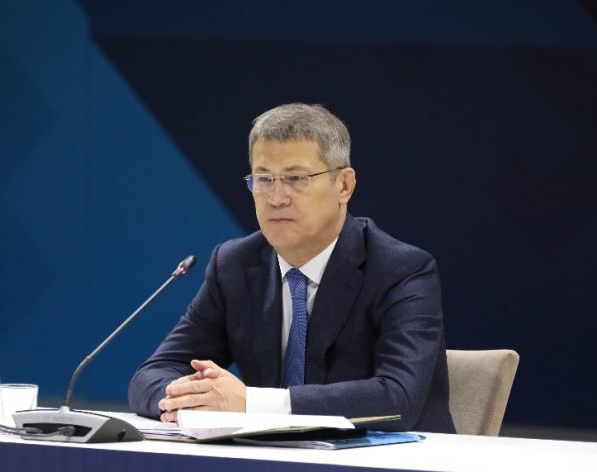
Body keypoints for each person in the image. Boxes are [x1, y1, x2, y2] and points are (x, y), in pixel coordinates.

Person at [129, 103, 455, 433]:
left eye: (296, 178)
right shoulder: (235, 265)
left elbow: (398, 400)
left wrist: (251, 404)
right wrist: (187, 400)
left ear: (344, 185)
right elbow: (153, 374)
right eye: (263, 179)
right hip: (269, 456)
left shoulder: (402, 270)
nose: (276, 198)